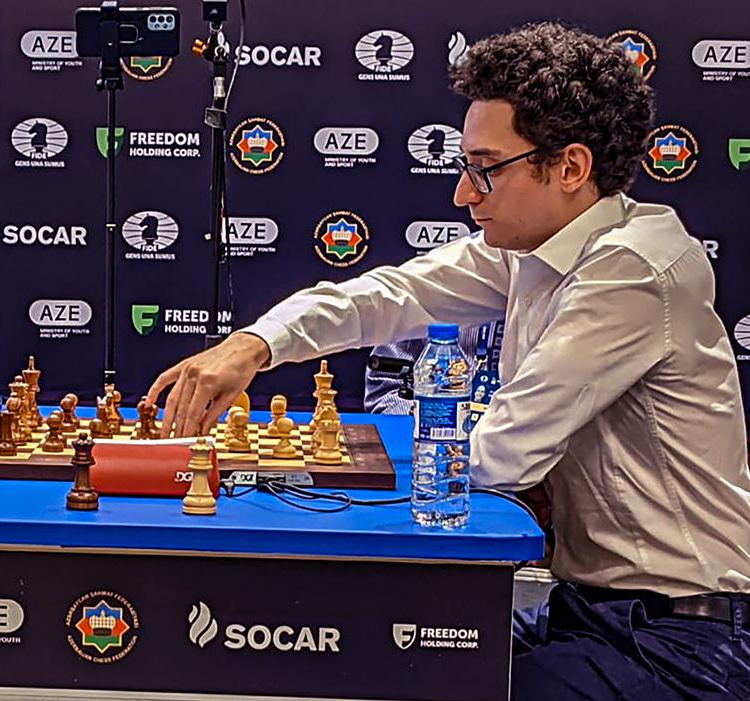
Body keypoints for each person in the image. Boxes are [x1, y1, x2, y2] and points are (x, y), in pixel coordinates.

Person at [148, 22, 750, 699]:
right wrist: (252, 345)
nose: (463, 195)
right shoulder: (537, 247)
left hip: (684, 641)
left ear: (571, 168)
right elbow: (390, 294)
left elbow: (498, 457)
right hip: (590, 611)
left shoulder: (633, 267)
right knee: (379, 662)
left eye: (484, 169)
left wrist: (319, 485)